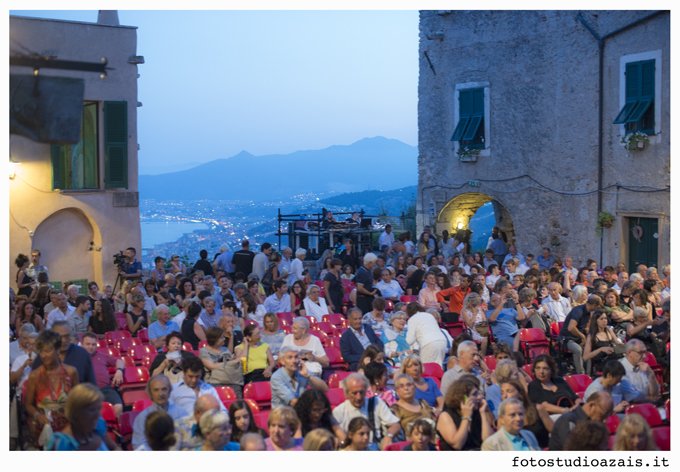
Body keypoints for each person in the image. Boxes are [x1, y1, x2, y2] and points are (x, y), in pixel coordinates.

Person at [24, 330, 80, 442]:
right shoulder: (35, 375)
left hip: (68, 430)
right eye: (41, 351)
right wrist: (37, 415)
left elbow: (77, 401)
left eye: (48, 351)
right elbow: (28, 405)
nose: (43, 355)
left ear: (58, 350)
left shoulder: (71, 372)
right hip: (44, 430)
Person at [332, 373, 401, 450]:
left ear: (366, 391)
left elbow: (395, 424)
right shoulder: (339, 411)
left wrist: (389, 436)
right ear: (347, 393)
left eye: (361, 392)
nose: (359, 397)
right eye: (354, 393)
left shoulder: (376, 402)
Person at [45, 383, 120, 451]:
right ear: (76, 411)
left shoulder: (99, 425)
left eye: (99, 408)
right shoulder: (59, 443)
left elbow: (114, 447)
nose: (98, 415)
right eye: (92, 410)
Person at [437, 376, 492, 451]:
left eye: (478, 393)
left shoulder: (476, 412)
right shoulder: (445, 416)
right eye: (474, 394)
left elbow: (490, 443)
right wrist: (466, 417)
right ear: (463, 398)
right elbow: (457, 445)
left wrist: (483, 413)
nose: (479, 397)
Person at [31, 321, 96, 384]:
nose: (64, 340)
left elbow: (92, 386)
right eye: (60, 337)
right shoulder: (42, 358)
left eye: (66, 336)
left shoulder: (83, 355)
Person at [132, 375, 188, 449]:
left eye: (164, 389)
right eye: (156, 390)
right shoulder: (142, 417)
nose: (160, 394)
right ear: (150, 393)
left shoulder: (181, 412)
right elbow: (140, 446)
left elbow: (188, 439)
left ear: (169, 391)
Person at [548, 391, 613, 451]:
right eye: (601, 415)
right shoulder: (568, 420)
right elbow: (571, 451)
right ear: (591, 406)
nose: (605, 421)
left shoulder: (595, 424)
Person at [81, 333, 125, 417]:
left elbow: (120, 362)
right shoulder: (77, 357)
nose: (91, 347)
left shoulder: (101, 356)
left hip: (106, 390)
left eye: (93, 344)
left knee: (118, 407)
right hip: (86, 391)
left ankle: (116, 425)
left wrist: (119, 370)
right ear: (82, 344)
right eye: (88, 344)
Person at [500, 378, 553, 449]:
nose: (504, 396)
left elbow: (555, 433)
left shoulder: (538, 408)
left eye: (509, 391)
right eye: (502, 393)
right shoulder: (502, 417)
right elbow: (501, 444)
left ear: (520, 393)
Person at [558, 294, 603, 375]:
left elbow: (586, 328)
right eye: (599, 306)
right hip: (566, 338)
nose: (600, 308)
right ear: (594, 305)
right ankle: (581, 374)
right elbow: (571, 327)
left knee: (589, 348)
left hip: (577, 338)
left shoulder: (588, 313)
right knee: (578, 350)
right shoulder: (578, 311)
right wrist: (582, 336)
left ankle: (588, 375)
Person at [584, 309, 625, 374]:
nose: (604, 321)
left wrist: (621, 345)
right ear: (596, 321)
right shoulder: (592, 336)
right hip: (603, 363)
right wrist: (601, 349)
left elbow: (616, 343)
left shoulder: (609, 331)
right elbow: (585, 357)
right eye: (601, 319)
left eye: (605, 318)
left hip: (613, 359)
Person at [618, 339, 660, 404]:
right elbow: (635, 399)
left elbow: (655, 394)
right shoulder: (621, 369)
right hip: (631, 408)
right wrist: (652, 399)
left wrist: (651, 375)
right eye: (641, 353)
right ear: (629, 353)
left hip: (648, 405)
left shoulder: (644, 367)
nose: (644, 356)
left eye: (645, 352)